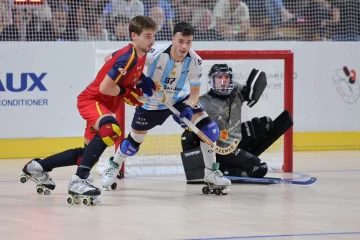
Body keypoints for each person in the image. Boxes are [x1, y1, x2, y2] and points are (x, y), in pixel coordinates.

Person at [20, 16, 158, 202]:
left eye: (153, 36)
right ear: (134, 36)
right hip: (93, 100)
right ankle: (79, 180)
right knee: (111, 130)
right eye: (148, 36)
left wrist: (141, 80)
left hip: (106, 105)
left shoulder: (138, 56)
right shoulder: (128, 57)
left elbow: (108, 58)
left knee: (86, 156)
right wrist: (128, 93)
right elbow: (104, 87)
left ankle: (37, 167)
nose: (152, 41)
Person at [98, 22, 231, 192]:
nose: (184, 46)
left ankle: (211, 173)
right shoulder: (154, 53)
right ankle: (114, 166)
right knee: (132, 143)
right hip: (150, 103)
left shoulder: (195, 61)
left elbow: (195, 93)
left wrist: (188, 108)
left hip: (178, 100)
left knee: (210, 130)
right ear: (173, 39)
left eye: (189, 42)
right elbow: (109, 59)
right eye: (181, 41)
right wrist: (139, 79)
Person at [180, 63, 293, 183]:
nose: (223, 80)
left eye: (226, 77)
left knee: (265, 124)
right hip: (220, 149)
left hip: (234, 140)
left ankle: (234, 164)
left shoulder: (236, 91)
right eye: (219, 77)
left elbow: (250, 94)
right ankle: (227, 170)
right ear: (212, 80)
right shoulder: (203, 102)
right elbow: (187, 128)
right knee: (259, 167)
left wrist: (254, 88)